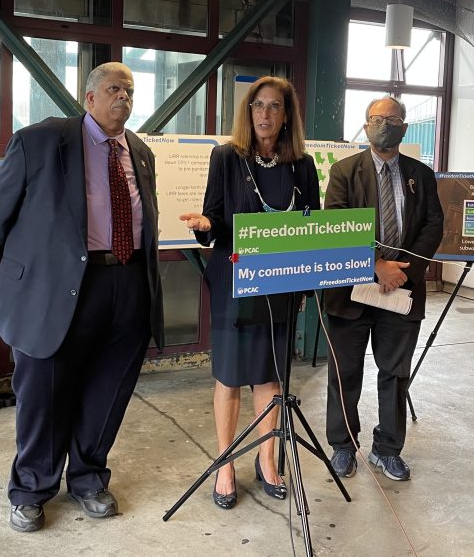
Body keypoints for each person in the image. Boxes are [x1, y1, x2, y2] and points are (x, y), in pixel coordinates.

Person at [0, 62, 164, 532]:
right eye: (114, 89)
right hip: (57, 287)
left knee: (109, 388)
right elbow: (0, 208)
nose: (124, 97)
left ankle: (88, 477)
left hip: (128, 281)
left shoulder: (139, 151)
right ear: (90, 98)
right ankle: (32, 487)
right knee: (44, 390)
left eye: (131, 91)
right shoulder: (41, 140)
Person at [179, 76, 320, 509]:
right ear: (248, 111)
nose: (264, 114)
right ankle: (225, 464)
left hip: (279, 285)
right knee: (229, 374)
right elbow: (216, 218)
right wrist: (207, 225)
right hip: (233, 283)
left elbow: (310, 228)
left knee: (269, 374)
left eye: (274, 106)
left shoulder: (303, 166)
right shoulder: (226, 158)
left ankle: (267, 460)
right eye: (258, 105)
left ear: (286, 115)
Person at [322, 96, 443, 481]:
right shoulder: (344, 172)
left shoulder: (420, 175)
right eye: (376, 119)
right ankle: (343, 445)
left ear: (404, 127)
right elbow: (337, 227)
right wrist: (375, 266)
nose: (383, 124)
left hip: (401, 290)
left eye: (391, 119)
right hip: (351, 291)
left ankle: (388, 448)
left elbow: (432, 227)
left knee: (395, 372)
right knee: (345, 372)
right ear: (366, 124)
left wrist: (402, 272)